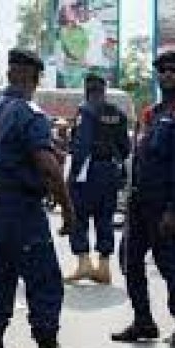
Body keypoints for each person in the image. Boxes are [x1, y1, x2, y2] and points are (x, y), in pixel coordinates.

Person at [0, 49, 89, 348]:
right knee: (44, 281)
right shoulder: (30, 114)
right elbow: (48, 167)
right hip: (21, 209)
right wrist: (68, 209)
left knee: (0, 276)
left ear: (11, 74)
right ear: (33, 78)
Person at [111, 51, 175, 348]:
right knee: (130, 259)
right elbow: (138, 158)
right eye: (163, 70)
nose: (167, 75)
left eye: (174, 70)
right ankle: (143, 321)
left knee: (170, 266)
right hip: (139, 202)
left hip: (164, 204)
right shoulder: (151, 113)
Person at [65, 73, 130, 285]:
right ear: (104, 90)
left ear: (87, 90)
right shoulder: (118, 114)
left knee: (79, 217)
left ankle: (84, 263)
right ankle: (104, 267)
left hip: (88, 172)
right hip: (109, 172)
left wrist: (73, 176)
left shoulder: (85, 111)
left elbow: (81, 146)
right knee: (105, 218)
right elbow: (126, 148)